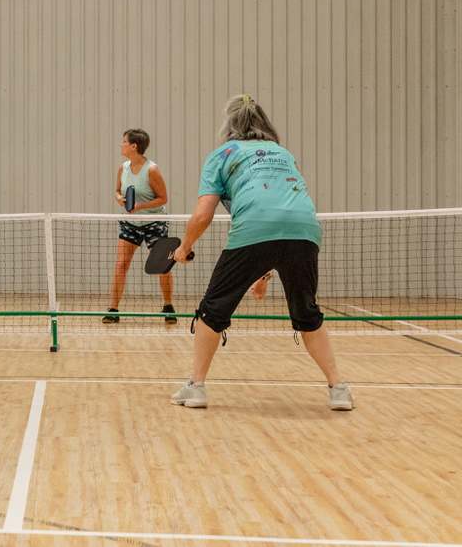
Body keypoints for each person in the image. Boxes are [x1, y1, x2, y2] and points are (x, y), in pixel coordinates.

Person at [171, 94, 352, 410]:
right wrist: (265, 274)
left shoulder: (222, 154)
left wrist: (184, 248)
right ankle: (339, 389)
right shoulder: (283, 153)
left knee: (212, 310)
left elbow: (203, 215)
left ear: (228, 126)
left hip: (255, 230)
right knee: (307, 312)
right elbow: (280, 213)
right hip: (304, 229)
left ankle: (196, 386)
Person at [103, 129, 177, 324]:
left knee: (163, 266)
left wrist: (140, 206)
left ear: (134, 146)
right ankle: (113, 309)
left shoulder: (152, 170)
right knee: (121, 265)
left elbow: (163, 198)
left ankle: (168, 306)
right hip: (131, 224)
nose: (121, 145)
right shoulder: (123, 168)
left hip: (155, 223)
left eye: (124, 142)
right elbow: (117, 190)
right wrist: (120, 199)